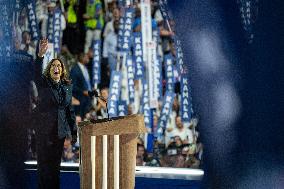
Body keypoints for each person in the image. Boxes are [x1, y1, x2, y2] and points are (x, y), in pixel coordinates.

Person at [33, 38, 77, 189]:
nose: (56, 67)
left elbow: (69, 110)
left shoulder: (67, 87)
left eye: (59, 65)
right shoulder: (44, 83)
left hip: (59, 133)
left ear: (62, 70)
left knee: (55, 169)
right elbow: (36, 73)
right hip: (43, 132)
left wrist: (74, 132)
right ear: (50, 70)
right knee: (43, 168)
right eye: (53, 65)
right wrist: (40, 55)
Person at [70, 52, 92, 119]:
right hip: (79, 99)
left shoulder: (86, 69)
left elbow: (87, 83)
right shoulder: (75, 70)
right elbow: (73, 86)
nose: (88, 58)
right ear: (82, 58)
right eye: (86, 57)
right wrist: (83, 91)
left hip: (87, 98)